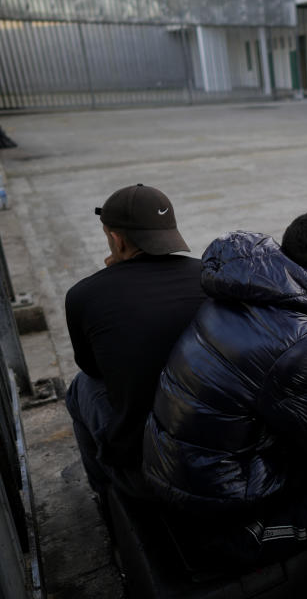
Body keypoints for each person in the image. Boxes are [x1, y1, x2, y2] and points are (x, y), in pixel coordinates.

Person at [141, 213, 307, 569]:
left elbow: (300, 378)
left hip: (175, 465)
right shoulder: (304, 342)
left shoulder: (245, 289)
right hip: (220, 505)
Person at [64, 184, 206, 498]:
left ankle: (108, 496)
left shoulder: (84, 294)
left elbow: (92, 368)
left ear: (116, 239)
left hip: (149, 470)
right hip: (221, 449)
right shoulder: (209, 276)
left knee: (80, 387)